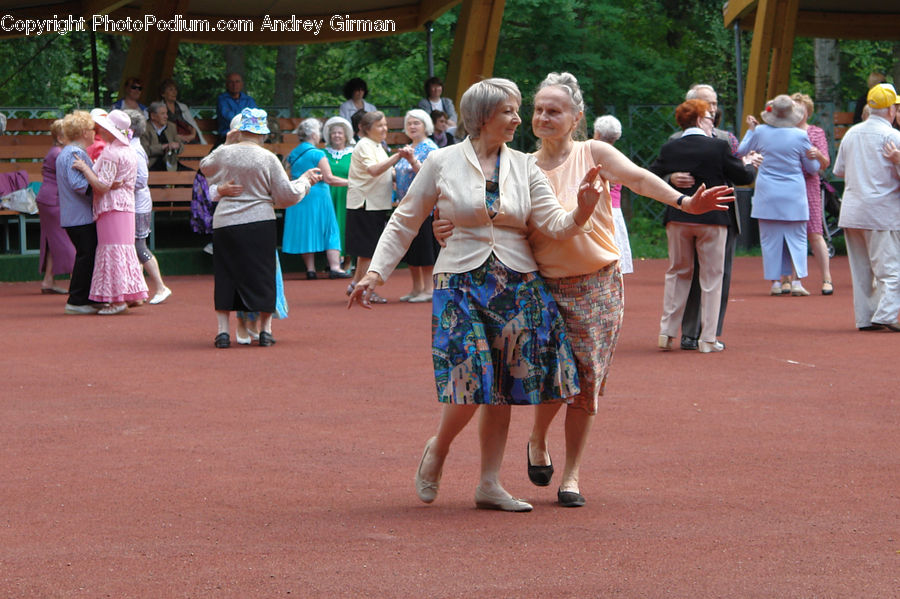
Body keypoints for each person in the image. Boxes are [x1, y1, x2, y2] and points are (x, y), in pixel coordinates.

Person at [434, 73, 734, 507]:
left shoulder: (594, 153)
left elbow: (641, 180)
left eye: (553, 110)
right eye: (537, 109)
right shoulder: (517, 162)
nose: (541, 117)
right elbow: (477, 206)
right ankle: (538, 437)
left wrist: (685, 204)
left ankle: (571, 474)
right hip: (538, 285)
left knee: (586, 381)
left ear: (576, 118)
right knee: (553, 375)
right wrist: (444, 227)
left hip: (597, 283)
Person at [350, 77, 608, 513]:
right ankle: (439, 446)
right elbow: (405, 219)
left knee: (502, 385)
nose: (517, 118)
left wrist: (583, 208)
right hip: (460, 283)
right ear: (483, 115)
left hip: (516, 283)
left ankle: (489, 484)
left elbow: (556, 225)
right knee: (469, 379)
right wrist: (375, 274)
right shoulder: (443, 162)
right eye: (509, 110)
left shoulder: (526, 166)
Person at [199, 108, 320, 348]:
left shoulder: (224, 155)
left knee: (225, 274)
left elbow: (205, 166)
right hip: (259, 222)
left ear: (239, 130)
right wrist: (305, 182)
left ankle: (223, 332)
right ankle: (265, 331)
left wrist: (225, 143)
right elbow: (285, 195)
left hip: (226, 223)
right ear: (262, 133)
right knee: (263, 274)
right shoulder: (267, 158)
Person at [651, 99, 756, 353]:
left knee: (677, 273)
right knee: (711, 277)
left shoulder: (670, 148)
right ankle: (708, 338)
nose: (713, 121)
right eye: (710, 117)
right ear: (699, 120)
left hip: (678, 217)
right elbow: (743, 177)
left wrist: (671, 179)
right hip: (713, 219)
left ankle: (666, 333)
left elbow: (649, 175)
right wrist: (751, 163)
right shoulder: (718, 147)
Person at [833, 83, 900, 332]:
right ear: (891, 109)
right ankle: (886, 313)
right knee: (890, 269)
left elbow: (838, 170)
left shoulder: (852, 133)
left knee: (861, 270)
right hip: (882, 212)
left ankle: (865, 317)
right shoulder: (893, 136)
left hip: (853, 209)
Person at [738, 95, 820, 296]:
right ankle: (797, 281)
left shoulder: (760, 132)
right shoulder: (800, 135)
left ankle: (775, 282)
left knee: (769, 240)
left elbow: (741, 150)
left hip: (767, 192)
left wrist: (750, 131)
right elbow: (812, 167)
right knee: (798, 239)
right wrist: (815, 156)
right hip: (794, 192)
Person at [71, 109, 148, 315]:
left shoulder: (111, 152)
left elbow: (102, 186)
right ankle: (126, 295)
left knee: (111, 250)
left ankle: (116, 300)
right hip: (126, 206)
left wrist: (85, 169)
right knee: (123, 250)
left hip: (111, 207)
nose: (99, 130)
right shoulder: (129, 150)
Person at [344, 111, 413, 303]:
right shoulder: (365, 145)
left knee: (367, 250)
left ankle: (355, 285)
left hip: (374, 204)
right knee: (368, 250)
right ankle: (364, 289)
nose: (385, 129)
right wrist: (399, 157)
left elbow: (388, 172)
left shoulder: (378, 146)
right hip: (365, 204)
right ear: (367, 129)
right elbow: (374, 170)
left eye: (385, 124)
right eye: (380, 125)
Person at [282, 117, 352, 279]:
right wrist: (351, 182)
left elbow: (290, 175)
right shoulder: (318, 153)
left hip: (301, 194)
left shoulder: (293, 153)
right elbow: (329, 178)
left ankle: (310, 270)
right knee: (330, 229)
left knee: (307, 231)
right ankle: (335, 267)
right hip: (319, 196)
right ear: (313, 134)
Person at [124, 109, 171, 304]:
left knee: (138, 245)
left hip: (138, 205)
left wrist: (121, 183)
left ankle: (160, 286)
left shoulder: (135, 149)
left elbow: (142, 179)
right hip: (134, 203)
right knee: (134, 246)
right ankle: (138, 289)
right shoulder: (132, 147)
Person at [394, 109, 439, 302]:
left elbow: (432, 174)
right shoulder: (408, 147)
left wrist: (412, 161)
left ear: (426, 126)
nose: (412, 126)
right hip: (406, 205)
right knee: (411, 247)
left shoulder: (430, 148)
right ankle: (416, 288)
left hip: (425, 207)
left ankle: (428, 289)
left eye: (417, 123)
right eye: (410, 123)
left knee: (424, 248)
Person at [57, 111, 99, 314]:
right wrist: (101, 187)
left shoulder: (65, 151)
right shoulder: (76, 153)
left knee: (86, 255)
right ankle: (77, 299)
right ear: (84, 132)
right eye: (92, 130)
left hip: (72, 215)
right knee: (87, 256)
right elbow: (79, 184)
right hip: (80, 215)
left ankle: (81, 297)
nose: (94, 133)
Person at [791, 92, 834, 295]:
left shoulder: (816, 132)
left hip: (809, 185)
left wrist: (818, 155)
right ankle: (790, 279)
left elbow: (825, 164)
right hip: (788, 185)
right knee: (789, 232)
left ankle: (827, 278)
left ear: (808, 112)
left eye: (802, 109)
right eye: (794, 109)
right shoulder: (784, 132)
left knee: (815, 232)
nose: (799, 113)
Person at [36, 118, 75, 294]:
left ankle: (48, 281)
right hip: (54, 201)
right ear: (60, 137)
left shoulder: (55, 151)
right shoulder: (59, 153)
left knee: (53, 241)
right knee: (68, 241)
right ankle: (78, 283)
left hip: (47, 199)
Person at [593, 114, 632, 274]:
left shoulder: (593, 154)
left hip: (596, 211)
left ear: (597, 133)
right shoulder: (618, 156)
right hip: (614, 211)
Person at [323, 116, 355, 271]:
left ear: (346, 135)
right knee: (329, 226)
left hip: (347, 195)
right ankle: (332, 262)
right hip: (328, 195)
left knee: (346, 225)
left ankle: (348, 261)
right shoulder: (323, 153)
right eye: (333, 133)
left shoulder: (353, 153)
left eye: (340, 133)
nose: (336, 135)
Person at [159, 78, 205, 145]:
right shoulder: (159, 108)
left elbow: (192, 124)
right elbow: (159, 130)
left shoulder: (183, 107)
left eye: (175, 89)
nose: (174, 92)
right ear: (163, 94)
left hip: (188, 138)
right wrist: (177, 137)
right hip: (171, 140)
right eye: (171, 89)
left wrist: (192, 135)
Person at [141, 101, 184, 171]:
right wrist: (164, 147)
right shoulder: (144, 128)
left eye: (166, 113)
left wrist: (177, 146)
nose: (166, 116)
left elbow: (181, 145)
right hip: (152, 165)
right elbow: (145, 150)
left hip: (171, 164)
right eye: (162, 114)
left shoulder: (171, 126)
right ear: (153, 116)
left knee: (192, 175)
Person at [216, 73, 257, 144]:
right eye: (231, 82)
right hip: (228, 136)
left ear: (242, 84)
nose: (234, 85)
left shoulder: (249, 100)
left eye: (237, 81)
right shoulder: (222, 99)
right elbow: (230, 118)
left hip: (247, 135)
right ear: (227, 84)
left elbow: (254, 118)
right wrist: (246, 118)